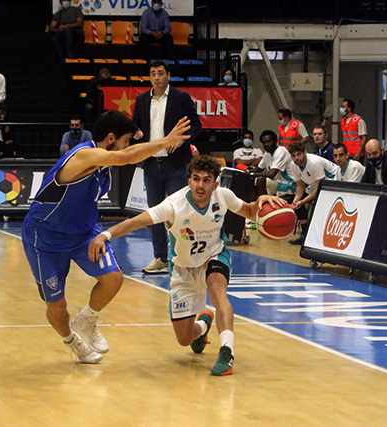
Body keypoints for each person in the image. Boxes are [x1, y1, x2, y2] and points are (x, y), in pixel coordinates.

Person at [21, 110, 191, 364]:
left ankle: (87, 319)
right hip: (45, 237)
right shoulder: (83, 155)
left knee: (113, 278)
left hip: (82, 233)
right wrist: (165, 141)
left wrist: (137, 132)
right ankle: (72, 341)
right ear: (111, 139)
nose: (128, 146)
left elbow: (127, 151)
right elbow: (125, 157)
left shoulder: (103, 164)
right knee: (56, 306)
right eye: (125, 140)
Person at [89, 155, 285, 375]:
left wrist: (261, 202)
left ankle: (227, 351)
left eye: (206, 180)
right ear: (189, 181)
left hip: (213, 256)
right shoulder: (173, 205)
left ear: (215, 184)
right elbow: (135, 222)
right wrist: (105, 235)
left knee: (218, 291)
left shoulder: (224, 197)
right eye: (196, 179)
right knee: (184, 339)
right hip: (182, 268)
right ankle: (203, 325)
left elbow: (249, 210)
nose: (200, 185)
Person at [132, 59, 202, 274]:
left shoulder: (181, 98)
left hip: (175, 164)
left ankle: (182, 257)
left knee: (179, 212)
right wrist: (136, 136)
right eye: (153, 73)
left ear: (168, 75)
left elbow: (196, 124)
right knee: (154, 212)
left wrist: (182, 140)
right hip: (152, 163)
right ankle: (161, 257)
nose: (156, 77)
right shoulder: (142, 99)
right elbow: (135, 126)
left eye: (160, 73)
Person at [288, 141, 340, 245]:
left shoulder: (314, 163)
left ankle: (320, 236)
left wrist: (303, 201)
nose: (296, 158)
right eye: (293, 156)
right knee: (296, 203)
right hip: (315, 185)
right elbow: (300, 186)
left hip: (332, 183)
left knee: (315, 202)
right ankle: (305, 233)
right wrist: (296, 201)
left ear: (304, 153)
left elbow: (321, 187)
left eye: (298, 154)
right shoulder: (293, 165)